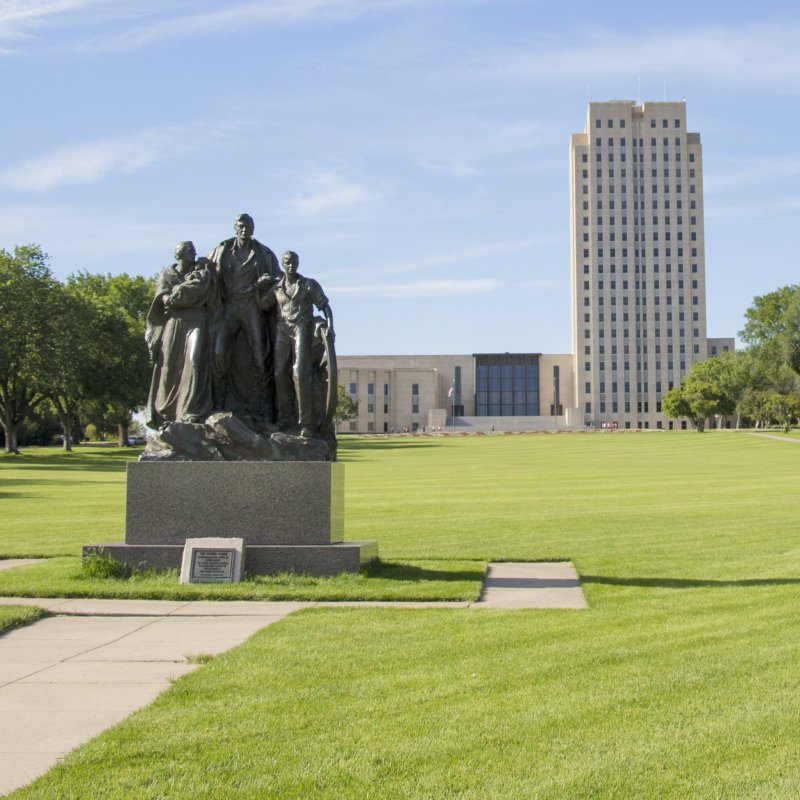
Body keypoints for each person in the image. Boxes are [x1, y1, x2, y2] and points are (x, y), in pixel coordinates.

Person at [208, 213, 281, 417]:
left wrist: (267, 283)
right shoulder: (220, 251)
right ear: (235, 227)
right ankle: (218, 404)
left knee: (261, 357)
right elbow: (204, 275)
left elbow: (280, 279)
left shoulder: (264, 254)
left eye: (248, 225)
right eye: (241, 225)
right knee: (218, 353)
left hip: (252, 307)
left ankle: (267, 408)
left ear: (253, 228)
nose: (244, 229)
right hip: (229, 308)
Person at [257, 251, 333, 438]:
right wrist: (258, 288)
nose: (291, 266)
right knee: (280, 373)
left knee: (300, 372)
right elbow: (262, 306)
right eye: (287, 263)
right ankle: (284, 418)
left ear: (298, 263)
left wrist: (330, 325)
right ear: (283, 264)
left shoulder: (308, 285)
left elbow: (324, 307)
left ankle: (305, 423)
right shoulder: (277, 287)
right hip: (282, 329)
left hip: (302, 327)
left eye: (293, 262)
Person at [145, 242, 214, 429]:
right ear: (180, 254)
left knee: (195, 360)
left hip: (197, 319)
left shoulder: (202, 269)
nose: (194, 252)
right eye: (190, 250)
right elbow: (163, 297)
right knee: (168, 366)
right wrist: (176, 297)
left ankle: (191, 411)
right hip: (174, 322)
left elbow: (198, 290)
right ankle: (165, 413)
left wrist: (176, 295)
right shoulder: (167, 273)